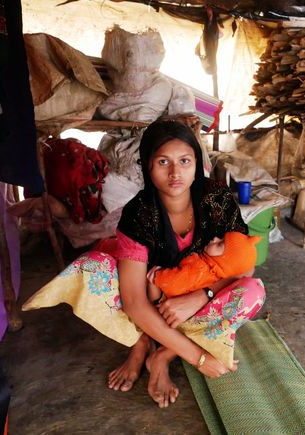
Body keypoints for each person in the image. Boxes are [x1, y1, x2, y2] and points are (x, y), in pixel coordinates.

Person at [106, 120, 265, 408]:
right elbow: (133, 301)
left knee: (252, 290)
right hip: (153, 298)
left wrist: (200, 296)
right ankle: (141, 343)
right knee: (97, 272)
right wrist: (199, 358)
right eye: (163, 161)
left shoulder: (215, 199)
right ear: (147, 166)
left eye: (185, 161)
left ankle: (162, 354)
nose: (175, 173)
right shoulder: (138, 214)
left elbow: (243, 266)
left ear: (197, 164)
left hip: (200, 293)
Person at [146, 231, 261, 301]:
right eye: (220, 238)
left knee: (150, 281)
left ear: (224, 261)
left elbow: (174, 284)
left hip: (171, 305)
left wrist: (158, 275)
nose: (215, 238)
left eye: (220, 243)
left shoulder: (200, 269)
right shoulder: (217, 275)